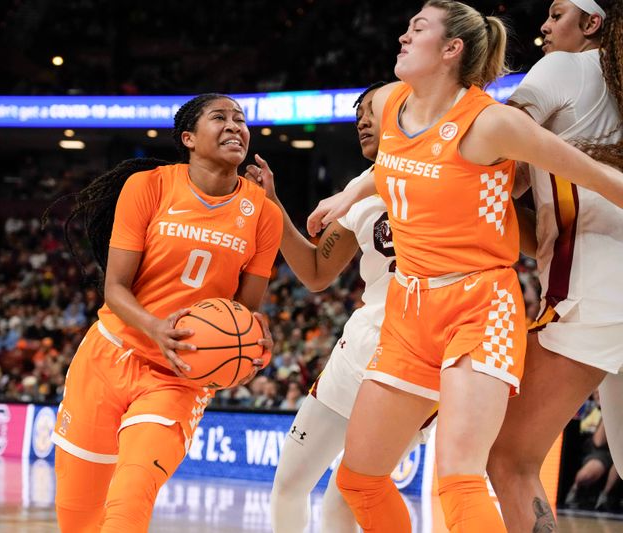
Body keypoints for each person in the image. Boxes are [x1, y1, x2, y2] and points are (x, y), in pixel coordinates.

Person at [305, 1, 623, 531]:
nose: (403, 36)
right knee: (358, 478)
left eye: (418, 28)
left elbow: (589, 173)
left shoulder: (492, 121)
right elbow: (392, 157)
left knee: (467, 473)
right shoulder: (388, 102)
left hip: (481, 302)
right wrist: (348, 192)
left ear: (452, 49)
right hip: (410, 307)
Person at [46, 93, 283, 533]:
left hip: (179, 376)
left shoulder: (264, 214)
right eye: (220, 118)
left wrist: (250, 345)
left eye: (241, 119)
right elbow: (114, 288)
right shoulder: (149, 186)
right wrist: (155, 326)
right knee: (77, 516)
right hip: (109, 356)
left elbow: (245, 311)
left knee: (130, 499)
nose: (236, 126)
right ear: (189, 138)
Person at [251, 83, 431, 533]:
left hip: (421, 350)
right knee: (290, 481)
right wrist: (273, 206)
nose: (363, 122)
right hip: (362, 343)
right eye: (358, 118)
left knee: (347, 498)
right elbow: (315, 273)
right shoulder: (360, 196)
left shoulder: (447, 169)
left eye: (373, 111)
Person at [484, 0, 623, 530]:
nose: (543, 27)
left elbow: (496, 142)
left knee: (509, 457)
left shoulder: (565, 65)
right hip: (604, 279)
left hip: (594, 287)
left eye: (557, 14)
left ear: (592, 24)